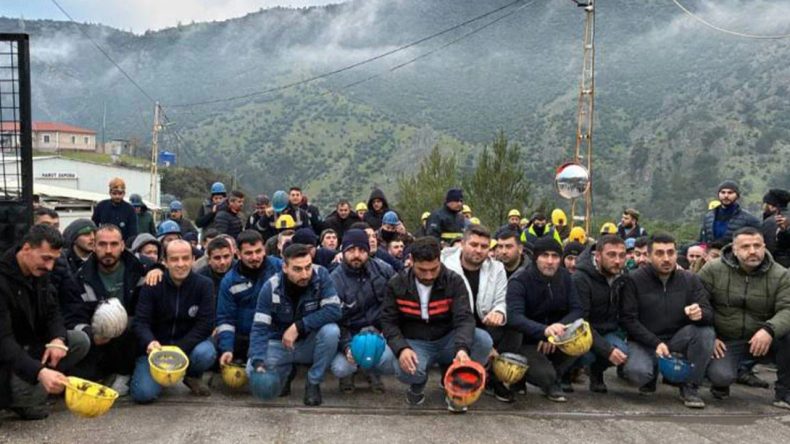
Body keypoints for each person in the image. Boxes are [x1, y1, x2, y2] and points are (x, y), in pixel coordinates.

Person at [381, 237, 493, 413]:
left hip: (447, 338)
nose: (429, 275)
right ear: (411, 261)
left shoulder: (454, 281)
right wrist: (401, 348)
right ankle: (418, 384)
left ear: (440, 260)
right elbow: (388, 322)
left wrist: (462, 348)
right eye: (422, 270)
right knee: (405, 369)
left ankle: (456, 386)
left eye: (434, 269)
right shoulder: (396, 283)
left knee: (483, 340)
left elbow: (464, 318)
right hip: (415, 341)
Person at [0, 225, 90, 420]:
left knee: (79, 341)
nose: (50, 266)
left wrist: (57, 339)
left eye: (54, 260)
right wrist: (40, 372)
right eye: (46, 258)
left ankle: (30, 392)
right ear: (26, 248)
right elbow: (3, 341)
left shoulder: (39, 272)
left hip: (30, 347)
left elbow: (52, 310)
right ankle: (18, 397)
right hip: (7, 357)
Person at [620, 232, 715, 409]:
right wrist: (655, 343)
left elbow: (709, 314)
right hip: (645, 341)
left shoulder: (690, 280)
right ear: (648, 256)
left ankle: (690, 386)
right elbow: (628, 320)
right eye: (659, 253)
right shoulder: (633, 280)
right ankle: (652, 374)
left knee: (705, 332)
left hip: (676, 340)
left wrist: (699, 313)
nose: (666, 258)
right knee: (637, 373)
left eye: (670, 253)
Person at [700, 227, 790, 409]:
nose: (752, 251)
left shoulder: (781, 275)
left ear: (764, 246)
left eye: (757, 245)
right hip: (726, 339)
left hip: (765, 339)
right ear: (734, 249)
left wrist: (769, 329)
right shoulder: (712, 270)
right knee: (721, 376)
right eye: (745, 246)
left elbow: (787, 308)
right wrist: (711, 334)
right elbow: (699, 302)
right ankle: (721, 382)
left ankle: (784, 392)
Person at [248, 244, 342, 406]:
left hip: (309, 344)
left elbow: (334, 310)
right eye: (297, 269)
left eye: (308, 267)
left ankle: (313, 382)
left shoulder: (321, 275)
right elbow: (260, 328)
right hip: (281, 345)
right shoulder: (271, 287)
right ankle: (286, 372)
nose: (305, 274)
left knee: (331, 331)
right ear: (285, 267)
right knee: (251, 370)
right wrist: (258, 361)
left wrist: (299, 326)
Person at [63, 224, 147, 394]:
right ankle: (103, 373)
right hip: (98, 342)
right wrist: (91, 334)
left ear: (123, 245)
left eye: (114, 244)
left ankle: (124, 373)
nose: (108, 250)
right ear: (94, 246)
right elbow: (73, 317)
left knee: (143, 391)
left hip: (130, 340)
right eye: (102, 244)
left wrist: (158, 269)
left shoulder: (139, 271)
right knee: (75, 382)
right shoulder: (79, 278)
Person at [130, 240, 216, 403]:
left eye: (185, 258)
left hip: (187, 347)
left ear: (193, 259)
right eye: (174, 259)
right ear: (165, 262)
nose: (180, 264)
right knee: (143, 394)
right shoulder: (152, 284)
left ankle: (191, 375)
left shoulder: (204, 285)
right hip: (155, 350)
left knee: (206, 352)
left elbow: (205, 324)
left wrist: (178, 350)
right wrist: (150, 342)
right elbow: (140, 322)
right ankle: (158, 378)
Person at [501, 236, 584, 402]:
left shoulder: (565, 277)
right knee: (544, 376)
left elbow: (577, 310)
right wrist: (543, 331)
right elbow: (514, 317)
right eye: (545, 256)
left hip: (556, 336)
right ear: (536, 258)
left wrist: (557, 329)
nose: (550, 261)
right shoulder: (520, 280)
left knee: (582, 336)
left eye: (555, 256)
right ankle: (526, 378)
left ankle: (556, 379)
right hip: (526, 340)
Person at [441, 225, 509, 401]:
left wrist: (499, 312)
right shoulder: (445, 266)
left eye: (484, 246)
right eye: (474, 244)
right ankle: (452, 371)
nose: (479, 250)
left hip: (484, 324)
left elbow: (501, 300)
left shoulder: (497, 269)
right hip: (451, 326)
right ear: (462, 244)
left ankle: (483, 376)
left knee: (508, 331)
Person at [329, 229, 396, 393]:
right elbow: (334, 320)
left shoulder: (383, 270)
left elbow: (396, 302)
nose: (357, 255)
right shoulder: (334, 279)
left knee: (391, 361)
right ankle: (349, 374)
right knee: (341, 368)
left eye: (362, 250)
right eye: (351, 250)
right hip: (349, 334)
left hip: (378, 332)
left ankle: (372, 370)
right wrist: (346, 347)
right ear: (343, 251)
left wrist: (385, 331)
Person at [216, 231, 282, 373]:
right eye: (248, 253)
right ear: (238, 254)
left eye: (258, 251)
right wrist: (227, 348)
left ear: (264, 249)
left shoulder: (279, 269)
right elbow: (226, 319)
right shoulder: (229, 281)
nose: (255, 257)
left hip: (275, 335)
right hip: (244, 338)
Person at [572, 236, 629, 393]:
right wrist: (606, 350)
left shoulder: (623, 277)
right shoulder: (581, 278)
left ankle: (596, 372)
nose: (617, 261)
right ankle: (566, 374)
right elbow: (580, 321)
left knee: (622, 350)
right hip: (580, 331)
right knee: (586, 354)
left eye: (621, 255)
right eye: (611, 255)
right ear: (597, 256)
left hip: (607, 330)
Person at [700, 180, 761, 244]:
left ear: (737, 196)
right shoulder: (708, 218)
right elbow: (702, 240)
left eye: (730, 193)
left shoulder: (749, 219)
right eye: (723, 192)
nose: (726, 196)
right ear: (718, 195)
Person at [195, 236, 235, 302]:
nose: (222, 262)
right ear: (209, 260)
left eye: (226, 256)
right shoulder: (200, 277)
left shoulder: (242, 272)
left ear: (232, 255)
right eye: (217, 258)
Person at [761, 188, 790, 268]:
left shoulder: (772, 222)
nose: (763, 207)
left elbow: (769, 249)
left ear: (772, 207)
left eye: (765, 204)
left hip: (779, 267)